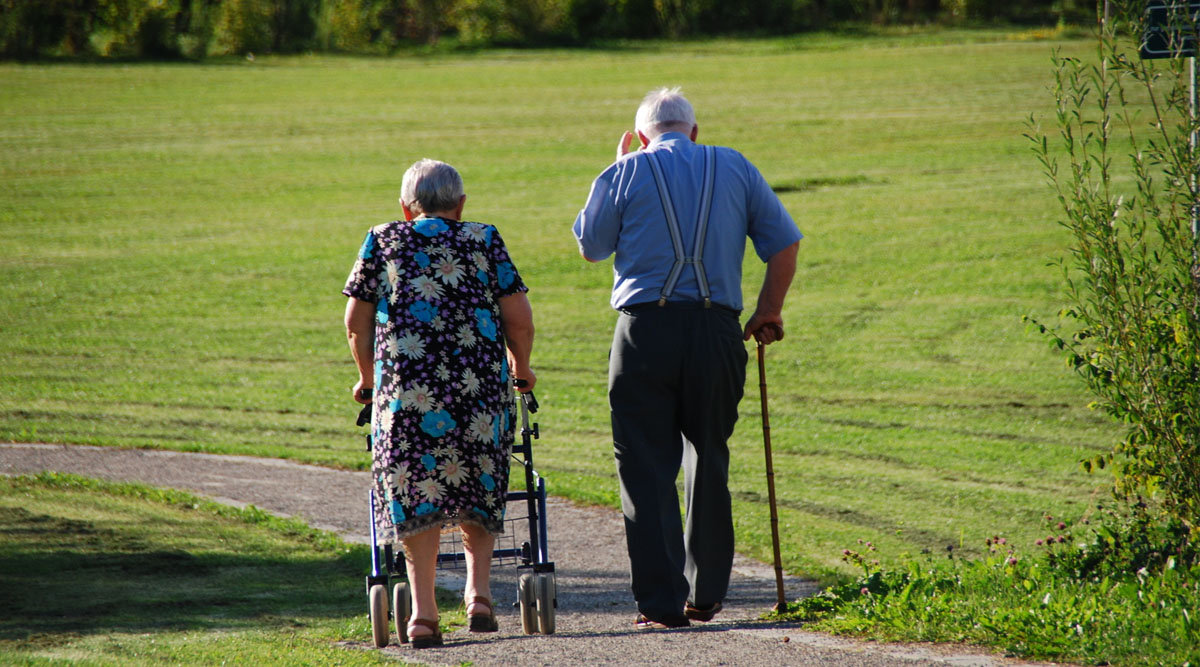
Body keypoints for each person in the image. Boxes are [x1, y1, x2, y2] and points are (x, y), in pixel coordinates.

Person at [572, 87, 802, 630]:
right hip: (716, 329)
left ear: (642, 136)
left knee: (646, 465)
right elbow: (784, 244)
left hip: (644, 331)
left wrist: (619, 164)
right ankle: (706, 593)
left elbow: (592, 247)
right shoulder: (735, 165)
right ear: (694, 131)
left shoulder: (624, 171)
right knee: (709, 453)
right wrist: (767, 311)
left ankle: (660, 603)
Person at [344, 158, 536, 648]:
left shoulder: (383, 238)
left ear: (406, 209)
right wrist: (522, 368)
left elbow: (356, 321)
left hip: (407, 395)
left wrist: (367, 378)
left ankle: (424, 615)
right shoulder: (483, 238)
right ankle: (478, 595)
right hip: (478, 396)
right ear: (461, 204)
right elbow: (519, 318)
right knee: (480, 478)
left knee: (414, 490)